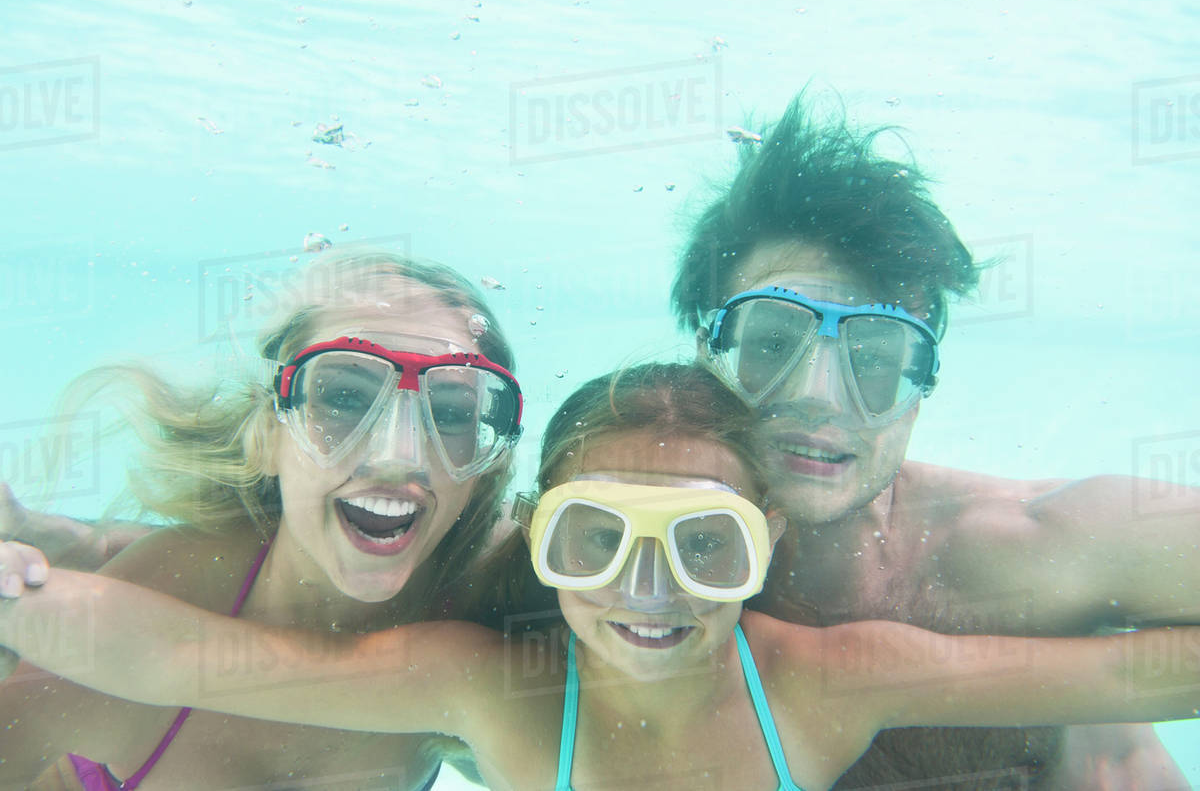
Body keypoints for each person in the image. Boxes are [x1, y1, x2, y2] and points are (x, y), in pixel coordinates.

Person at [1, 363, 1197, 791]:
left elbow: (1142, 673)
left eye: (706, 545)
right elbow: (184, 656)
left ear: (766, 542)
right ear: (539, 537)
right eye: (596, 542)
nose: (649, 590)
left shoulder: (834, 683)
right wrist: (16, 591)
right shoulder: (487, 692)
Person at [670, 96, 1200, 788]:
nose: (820, 397)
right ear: (704, 355)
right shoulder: (617, 561)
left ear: (922, 389)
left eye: (874, 359)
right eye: (771, 342)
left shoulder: (1031, 548)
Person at [0, 251, 524, 790]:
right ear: (268, 433)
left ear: (485, 467)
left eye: (453, 412)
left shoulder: (495, 591)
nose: (399, 456)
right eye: (345, 397)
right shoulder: (121, 615)